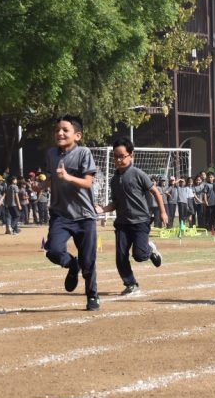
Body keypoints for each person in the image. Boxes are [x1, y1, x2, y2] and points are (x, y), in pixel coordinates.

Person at [42, 115, 101, 310]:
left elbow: (88, 182)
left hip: (84, 216)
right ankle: (72, 265)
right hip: (60, 214)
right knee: (53, 251)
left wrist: (68, 177)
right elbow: (52, 178)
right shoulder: (51, 154)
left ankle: (92, 296)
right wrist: (40, 186)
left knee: (88, 260)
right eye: (57, 130)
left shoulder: (84, 153)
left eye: (65, 130)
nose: (60, 133)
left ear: (77, 135)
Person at [99, 137, 166, 297]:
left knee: (139, 256)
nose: (118, 160)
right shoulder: (114, 180)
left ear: (131, 155)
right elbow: (115, 203)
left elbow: (155, 192)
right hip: (122, 223)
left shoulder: (138, 174)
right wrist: (102, 209)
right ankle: (131, 284)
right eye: (116, 156)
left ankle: (149, 249)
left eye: (122, 156)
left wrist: (163, 212)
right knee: (120, 256)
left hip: (140, 221)